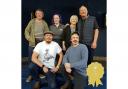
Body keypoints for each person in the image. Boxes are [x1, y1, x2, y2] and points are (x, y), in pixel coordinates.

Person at [24, 9, 49, 82]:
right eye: (37, 13)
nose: (39, 15)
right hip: (32, 44)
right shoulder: (32, 22)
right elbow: (26, 31)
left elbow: (47, 32)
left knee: (40, 60)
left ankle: (39, 73)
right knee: (31, 60)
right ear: (35, 14)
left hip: (41, 44)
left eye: (40, 13)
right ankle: (31, 75)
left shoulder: (44, 23)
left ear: (42, 15)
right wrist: (29, 38)